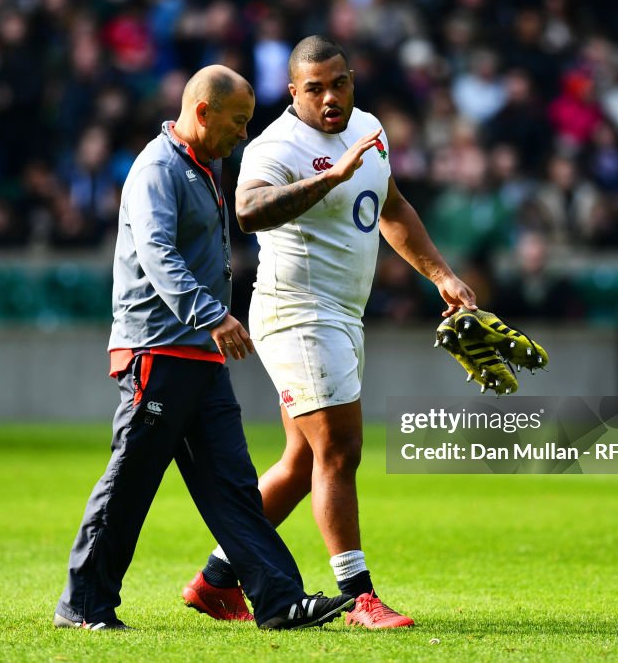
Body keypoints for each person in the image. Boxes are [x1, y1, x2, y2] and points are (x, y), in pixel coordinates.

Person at [182, 37, 478, 629]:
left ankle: (215, 581)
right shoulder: (277, 144)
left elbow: (391, 207)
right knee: (340, 451)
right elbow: (248, 208)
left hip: (343, 312)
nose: (329, 97)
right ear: (293, 92)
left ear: (352, 80)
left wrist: (442, 277)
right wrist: (331, 176)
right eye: (314, 87)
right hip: (298, 311)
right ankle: (358, 595)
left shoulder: (369, 129)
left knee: (301, 460)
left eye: (338, 82)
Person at [54, 65, 353, 631]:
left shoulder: (200, 167)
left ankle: (279, 600)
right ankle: (83, 604)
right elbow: (157, 254)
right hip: (159, 349)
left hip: (198, 355)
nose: (243, 134)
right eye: (237, 122)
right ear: (202, 113)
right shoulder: (157, 168)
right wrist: (214, 314)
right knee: (132, 479)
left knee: (233, 486)